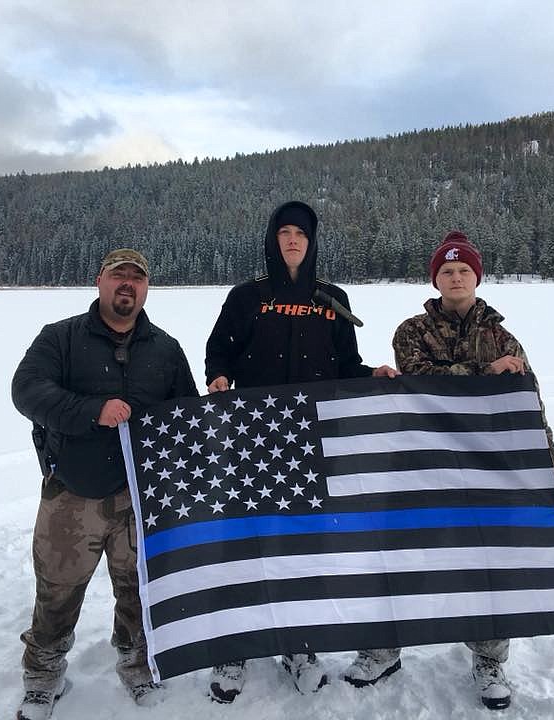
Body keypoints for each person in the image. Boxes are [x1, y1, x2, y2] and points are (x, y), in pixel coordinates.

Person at [350, 230, 554, 710]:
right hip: (421, 466)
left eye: (464, 270)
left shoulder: (503, 337)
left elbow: (528, 408)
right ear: (436, 279)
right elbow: (418, 379)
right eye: (447, 271)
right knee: (401, 553)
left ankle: (489, 659)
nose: (455, 277)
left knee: (488, 562)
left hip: (486, 470)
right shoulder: (411, 330)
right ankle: (383, 647)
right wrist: (485, 375)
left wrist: (553, 472)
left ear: (476, 277)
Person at [204, 200, 399, 703]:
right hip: (252, 437)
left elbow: (345, 363)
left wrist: (370, 374)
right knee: (246, 540)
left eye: (301, 234)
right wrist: (219, 377)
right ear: (273, 240)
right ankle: (236, 646)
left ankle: (298, 644)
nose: (292, 240)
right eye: (284, 232)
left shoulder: (330, 298)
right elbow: (218, 350)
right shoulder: (247, 296)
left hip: (309, 442)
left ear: (312, 243)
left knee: (299, 546)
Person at [11, 249, 197, 719]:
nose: (127, 285)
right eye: (119, 276)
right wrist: (92, 410)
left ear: (146, 288)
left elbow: (186, 415)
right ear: (99, 281)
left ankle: (136, 662)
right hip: (72, 493)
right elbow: (28, 390)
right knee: (57, 589)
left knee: (138, 587)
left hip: (139, 498)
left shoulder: (166, 348)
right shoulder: (61, 338)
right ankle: (43, 674)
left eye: (137, 277)